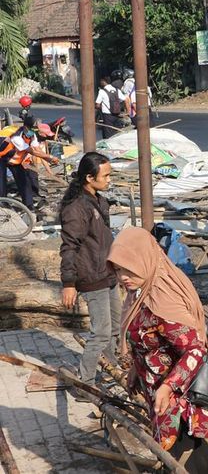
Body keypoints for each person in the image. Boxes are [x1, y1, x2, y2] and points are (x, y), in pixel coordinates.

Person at [108, 227, 208, 473]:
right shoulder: (141, 292)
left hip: (180, 395)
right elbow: (147, 340)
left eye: (129, 268)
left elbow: (195, 349)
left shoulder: (162, 301)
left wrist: (168, 386)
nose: (123, 277)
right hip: (163, 389)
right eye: (118, 270)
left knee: (182, 451)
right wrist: (136, 367)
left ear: (145, 260)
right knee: (188, 450)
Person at [59, 152, 120, 387]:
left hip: (108, 274)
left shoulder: (99, 200)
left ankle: (111, 372)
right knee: (101, 333)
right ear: (88, 177)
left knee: (115, 329)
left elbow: (104, 240)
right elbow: (69, 247)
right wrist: (68, 283)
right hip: (91, 277)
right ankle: (86, 382)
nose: (109, 180)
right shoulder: (76, 208)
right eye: (105, 176)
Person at [0, 115, 60, 209]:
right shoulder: (16, 136)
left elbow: (37, 149)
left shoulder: (31, 135)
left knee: (24, 181)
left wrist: (48, 159)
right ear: (26, 127)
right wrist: (49, 157)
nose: (34, 131)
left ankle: (29, 206)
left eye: (35, 129)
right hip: (1, 157)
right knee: (1, 182)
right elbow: (31, 151)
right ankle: (2, 204)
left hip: (13, 159)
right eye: (33, 129)